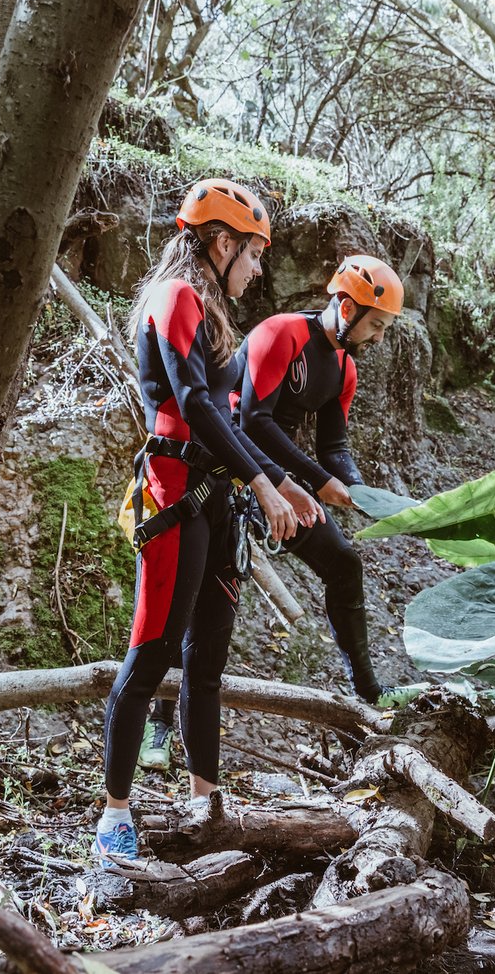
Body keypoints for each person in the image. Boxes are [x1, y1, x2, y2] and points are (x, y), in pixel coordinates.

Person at [94, 178, 324, 867]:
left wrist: (284, 481)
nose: (257, 270)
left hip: (216, 503)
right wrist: (262, 478)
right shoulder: (176, 298)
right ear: (221, 243)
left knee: (208, 662)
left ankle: (206, 800)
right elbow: (192, 404)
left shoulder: (213, 311)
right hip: (173, 496)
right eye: (253, 254)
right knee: (151, 655)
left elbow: (227, 420)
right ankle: (112, 817)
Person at [231, 255, 403, 702]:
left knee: (344, 564)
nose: (380, 337)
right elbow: (253, 421)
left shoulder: (345, 368)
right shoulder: (280, 333)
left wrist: (361, 491)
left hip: (279, 477)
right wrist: (319, 481)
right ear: (347, 309)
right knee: (204, 595)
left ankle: (367, 692)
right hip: (230, 465)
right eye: (377, 324)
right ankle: (160, 720)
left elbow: (334, 448)